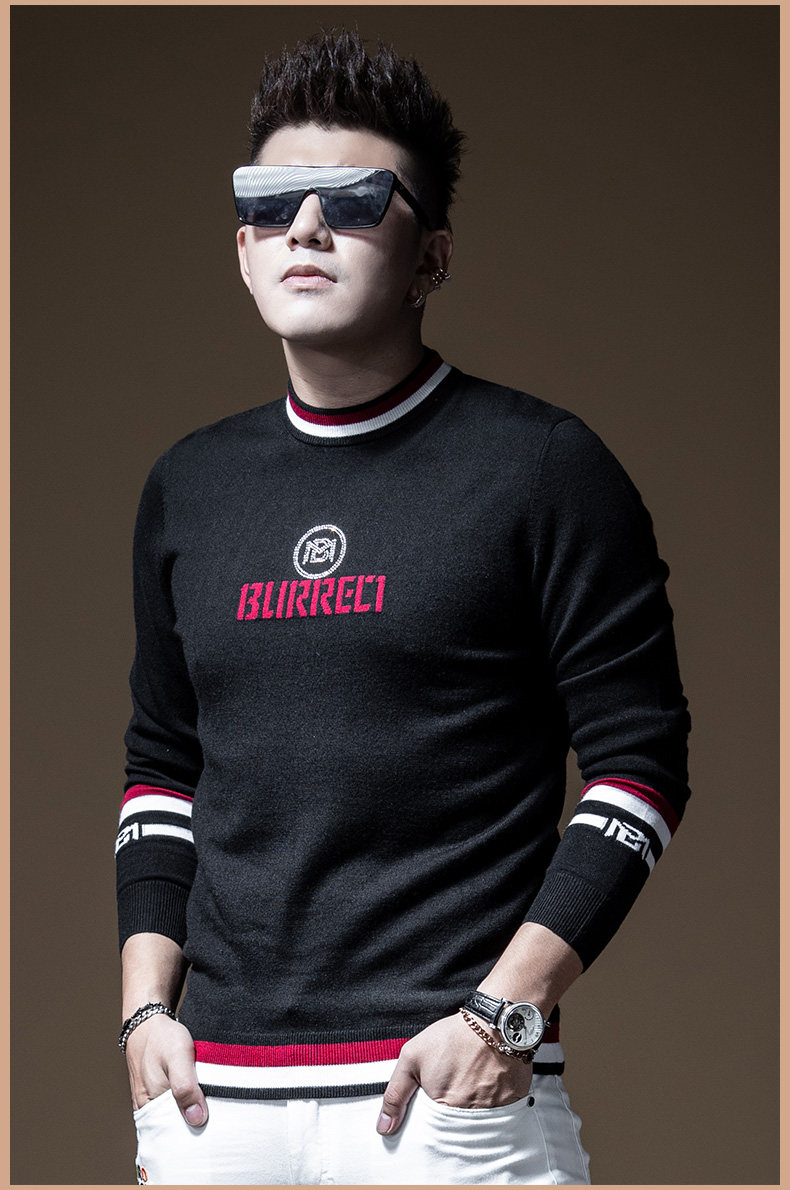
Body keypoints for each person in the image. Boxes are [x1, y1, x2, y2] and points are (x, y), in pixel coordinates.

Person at [115, 27, 690, 1186]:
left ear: (430, 258)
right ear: (242, 248)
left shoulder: (543, 467)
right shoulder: (188, 485)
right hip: (213, 1102)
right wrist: (141, 1011)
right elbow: (162, 768)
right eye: (271, 202)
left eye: (353, 200)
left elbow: (639, 764)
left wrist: (504, 1013)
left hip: (442, 1092)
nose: (306, 228)